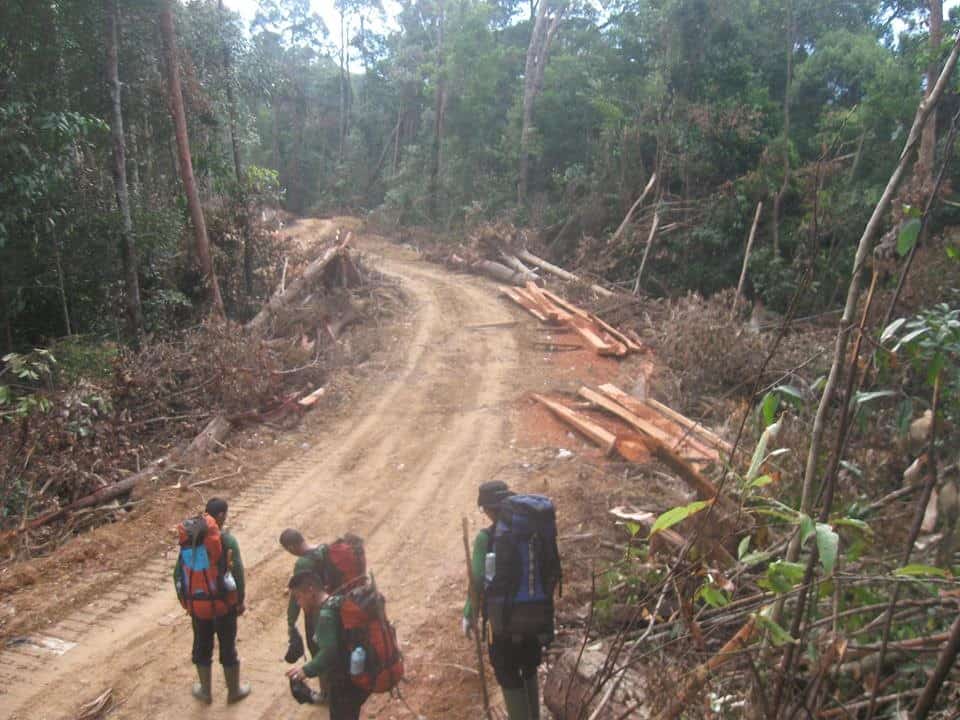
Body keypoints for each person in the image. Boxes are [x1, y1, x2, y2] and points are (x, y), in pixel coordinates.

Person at [463, 480, 550, 720]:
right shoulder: (531, 531)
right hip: (533, 619)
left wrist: (469, 614)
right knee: (529, 668)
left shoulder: (486, 538)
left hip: (501, 625)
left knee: (509, 675)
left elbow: (478, 580)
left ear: (490, 509)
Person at [175, 497, 251, 705]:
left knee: (202, 646)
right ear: (220, 516)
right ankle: (234, 691)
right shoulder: (227, 540)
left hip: (198, 605)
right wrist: (239, 601)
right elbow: (237, 574)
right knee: (227, 646)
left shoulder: (190, 541)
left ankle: (205, 691)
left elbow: (178, 575)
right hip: (224, 605)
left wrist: (188, 603)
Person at [285, 572, 371, 719]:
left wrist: (305, 670)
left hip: (344, 684)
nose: (298, 603)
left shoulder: (325, 617)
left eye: (298, 597)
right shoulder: (337, 601)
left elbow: (329, 652)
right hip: (358, 673)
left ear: (310, 590)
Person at [279, 528, 330, 661]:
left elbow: (297, 594)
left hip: (315, 611)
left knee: (318, 650)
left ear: (290, 547)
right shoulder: (324, 549)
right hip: (332, 602)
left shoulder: (303, 563)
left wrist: (291, 622)